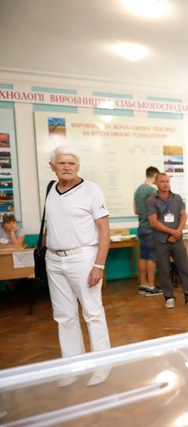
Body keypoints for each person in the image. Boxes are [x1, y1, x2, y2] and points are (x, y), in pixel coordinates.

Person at [44, 146, 111, 386]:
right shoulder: (50, 189)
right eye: (61, 163)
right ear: (52, 166)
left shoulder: (91, 190)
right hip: (53, 259)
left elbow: (104, 230)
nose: (66, 167)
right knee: (64, 316)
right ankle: (73, 367)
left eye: (71, 163)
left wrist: (99, 265)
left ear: (78, 166)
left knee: (92, 312)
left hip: (83, 258)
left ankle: (102, 366)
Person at [146, 172, 188, 308]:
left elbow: (183, 216)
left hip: (177, 239)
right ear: (156, 183)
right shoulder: (151, 201)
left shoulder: (177, 198)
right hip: (161, 240)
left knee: (184, 267)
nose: (165, 184)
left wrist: (177, 232)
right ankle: (169, 297)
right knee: (164, 270)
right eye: (162, 181)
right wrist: (172, 232)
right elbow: (153, 222)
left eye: (167, 181)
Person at [133, 166, 162, 296]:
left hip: (141, 226)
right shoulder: (152, 190)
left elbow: (136, 211)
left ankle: (143, 284)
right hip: (151, 227)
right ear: (155, 175)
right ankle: (151, 286)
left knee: (143, 256)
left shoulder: (137, 190)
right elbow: (158, 210)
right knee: (152, 256)